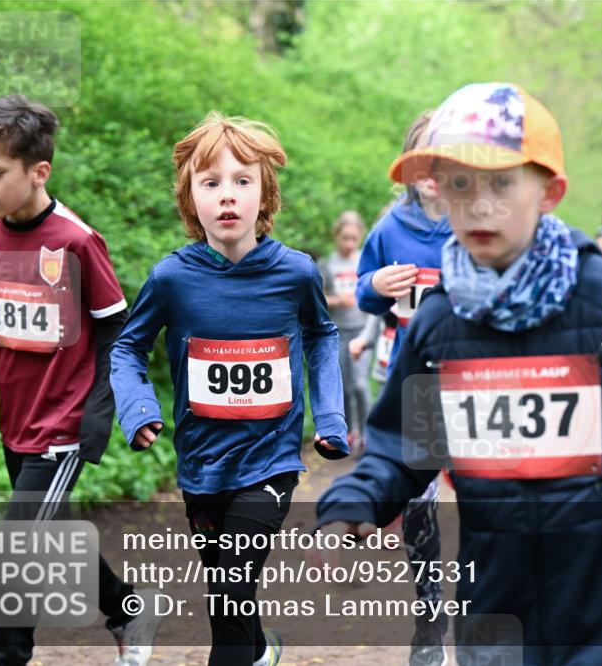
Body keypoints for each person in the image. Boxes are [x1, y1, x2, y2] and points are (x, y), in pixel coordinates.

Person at [316, 81, 602, 666]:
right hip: (496, 606)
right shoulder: (439, 323)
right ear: (437, 191)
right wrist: (356, 498)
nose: (479, 204)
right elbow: (408, 450)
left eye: (501, 182)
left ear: (550, 192)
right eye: (460, 183)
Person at [110, 112, 348, 666]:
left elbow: (322, 336)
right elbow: (126, 349)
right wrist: (137, 406)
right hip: (201, 465)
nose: (227, 195)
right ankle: (262, 651)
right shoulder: (171, 278)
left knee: (232, 586)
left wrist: (330, 417)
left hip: (270, 461)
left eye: (242, 180)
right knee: (226, 595)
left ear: (265, 193)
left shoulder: (296, 273)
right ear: (189, 198)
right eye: (210, 182)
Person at [0, 95, 160, 666]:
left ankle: (8, 656)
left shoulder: (77, 241)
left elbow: (117, 332)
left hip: (62, 424)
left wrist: (103, 412)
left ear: (38, 171)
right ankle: (128, 609)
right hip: (15, 420)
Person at [353, 111, 453, 666]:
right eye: (423, 159)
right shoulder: (390, 228)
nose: (434, 171)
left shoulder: (478, 222)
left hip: (475, 382)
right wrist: (375, 283)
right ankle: (430, 615)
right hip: (414, 382)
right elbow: (365, 294)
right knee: (419, 501)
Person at [319, 210, 373, 450]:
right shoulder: (327, 263)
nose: (349, 244)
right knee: (346, 387)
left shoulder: (365, 260)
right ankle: (351, 431)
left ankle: (369, 434)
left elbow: (374, 293)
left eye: (354, 238)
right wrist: (336, 300)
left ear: (360, 236)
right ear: (336, 236)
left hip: (362, 330)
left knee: (360, 384)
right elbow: (317, 298)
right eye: (345, 238)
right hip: (338, 332)